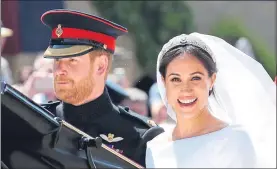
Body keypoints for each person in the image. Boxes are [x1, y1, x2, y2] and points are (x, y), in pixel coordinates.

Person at [39, 9, 164, 167]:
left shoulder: (141, 138)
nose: (59, 70)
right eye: (56, 60)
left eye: (71, 60)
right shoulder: (36, 121)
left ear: (101, 65)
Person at [146, 33, 276, 168]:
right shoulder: (155, 148)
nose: (186, 89)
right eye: (175, 79)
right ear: (163, 82)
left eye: (195, 78)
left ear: (212, 80)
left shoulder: (235, 141)